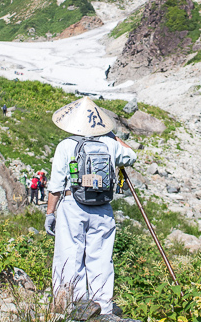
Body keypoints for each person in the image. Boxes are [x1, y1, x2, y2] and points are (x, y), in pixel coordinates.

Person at [44, 97, 136, 317]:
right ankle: (103, 307)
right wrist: (114, 137)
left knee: (69, 253)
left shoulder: (66, 145)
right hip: (103, 207)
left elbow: (56, 186)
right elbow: (132, 156)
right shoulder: (109, 144)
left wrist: (49, 213)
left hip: (72, 204)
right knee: (102, 257)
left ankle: (70, 305)